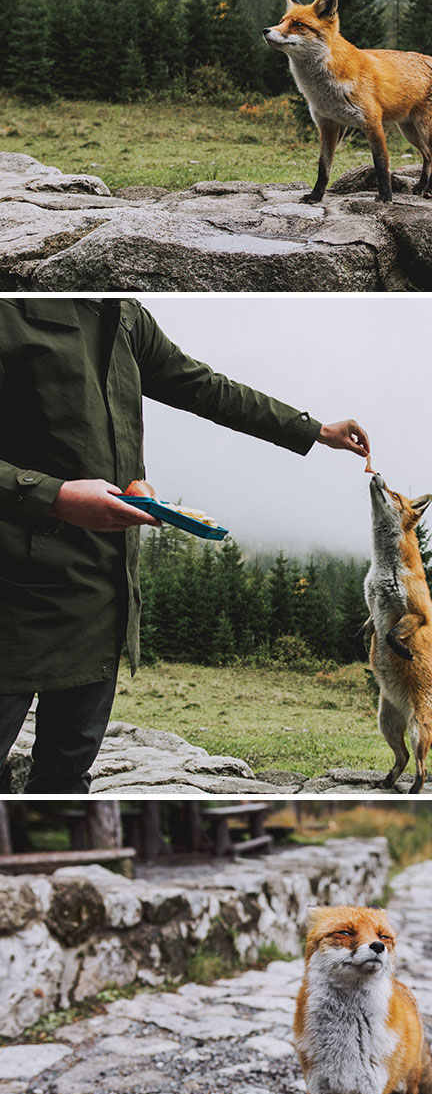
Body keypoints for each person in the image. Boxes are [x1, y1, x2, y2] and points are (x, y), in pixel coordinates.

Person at [0, 297, 371, 794]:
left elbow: (205, 388)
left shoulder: (124, 315)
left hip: (100, 592)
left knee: (65, 780)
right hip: (12, 594)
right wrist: (56, 497)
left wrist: (313, 429)